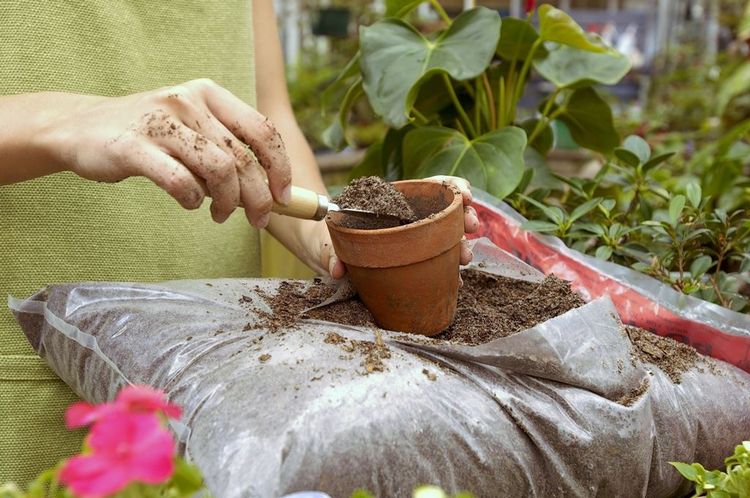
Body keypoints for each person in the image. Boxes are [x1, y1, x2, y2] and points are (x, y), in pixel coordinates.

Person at [0, 0, 479, 485]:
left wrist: (333, 240)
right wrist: (66, 122)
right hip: (32, 390)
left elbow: (267, 122)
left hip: (222, 392)